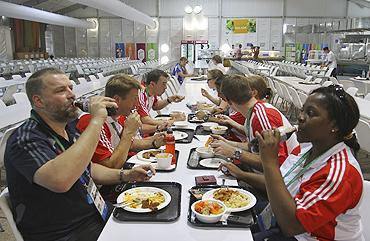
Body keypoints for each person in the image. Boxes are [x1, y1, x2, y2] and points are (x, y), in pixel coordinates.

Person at [4, 68, 155, 241]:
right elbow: (61, 180)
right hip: (65, 231)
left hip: (94, 214)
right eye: (61, 90)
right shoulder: (25, 139)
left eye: (70, 88)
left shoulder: (67, 129)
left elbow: (88, 168)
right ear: (38, 101)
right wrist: (97, 119)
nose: (71, 95)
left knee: (154, 218)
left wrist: (126, 175)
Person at [256, 85, 364, 240]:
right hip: (292, 227)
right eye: (302, 110)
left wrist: (270, 162)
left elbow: (291, 226)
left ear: (334, 126)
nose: (300, 117)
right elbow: (281, 186)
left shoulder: (340, 173)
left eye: (311, 113)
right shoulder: (307, 150)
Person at [212, 74, 300, 191]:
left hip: (278, 188)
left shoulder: (263, 116)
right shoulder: (253, 111)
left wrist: (235, 152)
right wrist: (228, 144)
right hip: (263, 177)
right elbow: (256, 147)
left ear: (227, 100)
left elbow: (277, 163)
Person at [76, 74, 166, 169]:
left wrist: (154, 142)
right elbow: (112, 166)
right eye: (134, 98)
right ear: (117, 100)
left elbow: (129, 143)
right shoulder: (92, 122)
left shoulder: (121, 115)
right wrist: (129, 132)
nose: (137, 104)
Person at [137, 69, 185, 133]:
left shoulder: (151, 92)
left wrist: (170, 99)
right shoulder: (141, 95)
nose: (165, 87)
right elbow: (146, 120)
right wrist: (174, 121)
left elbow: (156, 106)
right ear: (152, 84)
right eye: (163, 84)